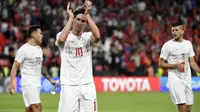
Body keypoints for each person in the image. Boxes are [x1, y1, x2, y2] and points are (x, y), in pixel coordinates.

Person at [55, 0, 100, 111]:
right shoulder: (63, 35)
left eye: (83, 21)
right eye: (78, 19)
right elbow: (61, 40)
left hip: (87, 84)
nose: (80, 23)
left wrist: (88, 15)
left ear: (85, 23)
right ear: (73, 20)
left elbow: (98, 36)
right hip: (69, 85)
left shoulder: (88, 37)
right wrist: (70, 17)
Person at [9, 25, 56, 112]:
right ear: (34, 35)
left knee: (29, 109)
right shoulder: (23, 50)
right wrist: (12, 83)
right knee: (37, 107)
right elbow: (14, 67)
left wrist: (50, 79)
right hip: (28, 82)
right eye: (40, 33)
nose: (42, 35)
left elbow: (41, 67)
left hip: (37, 82)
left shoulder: (39, 49)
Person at [159, 22, 200, 112]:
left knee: (188, 107)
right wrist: (175, 65)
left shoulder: (188, 44)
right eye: (173, 30)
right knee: (182, 106)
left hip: (187, 78)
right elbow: (161, 64)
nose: (174, 32)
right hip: (175, 78)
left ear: (182, 31)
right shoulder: (167, 45)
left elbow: (192, 62)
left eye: (176, 30)